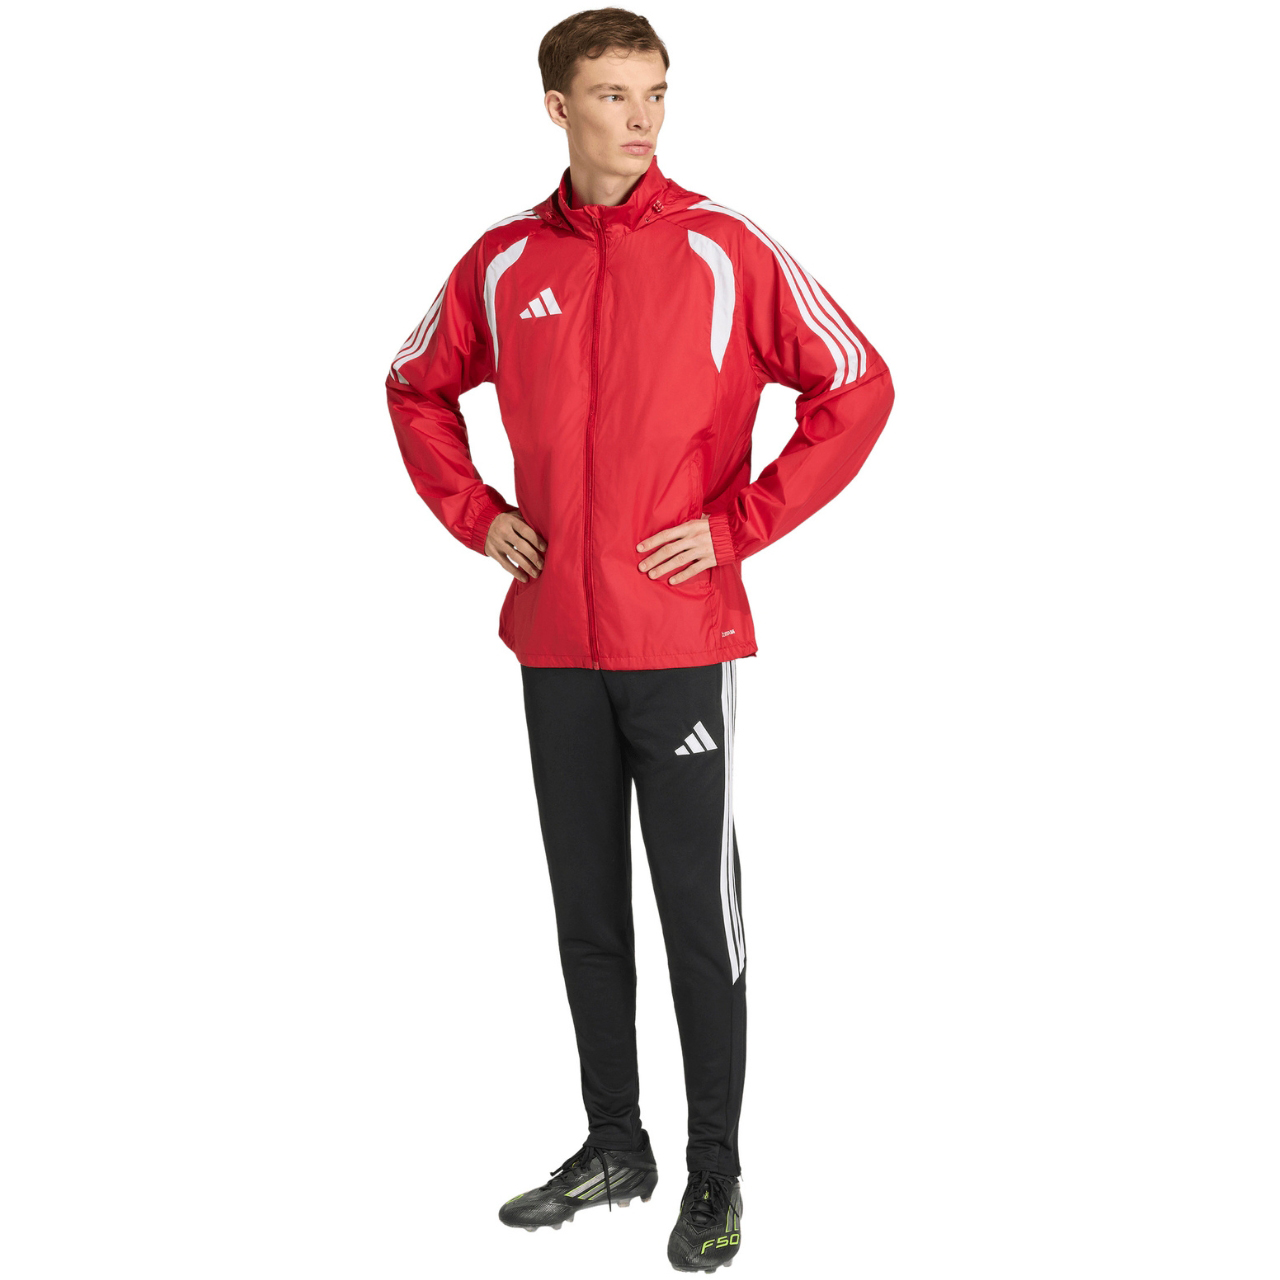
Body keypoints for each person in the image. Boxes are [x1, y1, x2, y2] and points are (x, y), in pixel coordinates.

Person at [385, 8, 894, 1272]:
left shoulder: (725, 246)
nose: (643, 118)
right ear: (556, 107)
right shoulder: (502, 260)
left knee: (694, 917)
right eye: (614, 95)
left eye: (656, 92)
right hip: (554, 639)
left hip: (677, 639)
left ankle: (715, 1168)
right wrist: (479, 516)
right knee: (586, 908)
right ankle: (614, 1141)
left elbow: (856, 381)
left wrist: (737, 526)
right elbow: (414, 382)